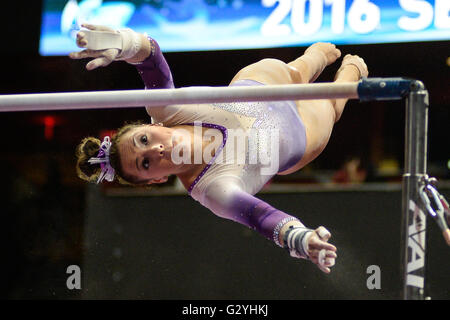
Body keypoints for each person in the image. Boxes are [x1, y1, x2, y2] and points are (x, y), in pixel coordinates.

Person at [73, 23, 369, 274]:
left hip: (260, 83)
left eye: (144, 140)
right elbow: (260, 217)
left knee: (295, 72)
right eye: (146, 164)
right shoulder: (214, 190)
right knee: (331, 103)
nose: (157, 149)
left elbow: (150, 58)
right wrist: (299, 238)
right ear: (157, 180)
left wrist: (126, 43)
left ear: (152, 126)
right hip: (299, 135)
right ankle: (349, 73)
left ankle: (314, 57)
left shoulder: (166, 108)